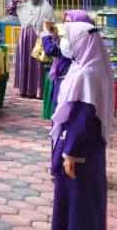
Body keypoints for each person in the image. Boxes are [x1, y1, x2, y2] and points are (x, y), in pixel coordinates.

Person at [50, 21, 112, 230]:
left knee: (79, 203)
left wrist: (70, 152)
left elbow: (84, 117)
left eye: (68, 38)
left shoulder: (87, 74)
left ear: (81, 42)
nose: (64, 43)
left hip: (79, 150)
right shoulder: (85, 66)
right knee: (80, 200)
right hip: (83, 147)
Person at [42, 10, 93, 120]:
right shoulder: (68, 36)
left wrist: (46, 35)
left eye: (71, 22)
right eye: (66, 22)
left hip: (72, 78)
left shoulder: (83, 40)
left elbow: (51, 50)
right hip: (63, 75)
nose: (67, 25)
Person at [7, 0, 55, 98]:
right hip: (25, 38)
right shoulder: (24, 7)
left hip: (39, 38)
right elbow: (10, 11)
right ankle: (24, 89)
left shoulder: (47, 9)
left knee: (38, 63)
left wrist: (48, 37)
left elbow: (51, 25)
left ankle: (38, 90)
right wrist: (14, 0)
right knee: (25, 62)